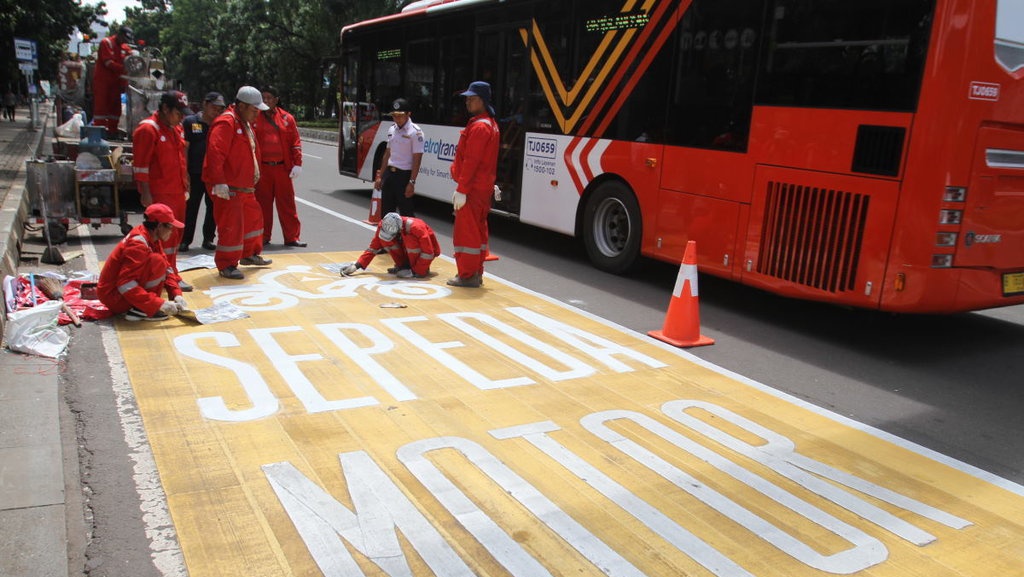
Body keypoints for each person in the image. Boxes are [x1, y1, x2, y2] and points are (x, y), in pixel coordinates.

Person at [203, 85, 273, 280]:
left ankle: (249, 254)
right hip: (230, 187)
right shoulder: (227, 123)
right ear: (241, 106)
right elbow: (216, 153)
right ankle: (226, 264)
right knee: (231, 227)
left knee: (253, 220)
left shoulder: (243, 122)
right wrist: (219, 182)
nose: (257, 114)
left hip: (244, 187)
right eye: (254, 109)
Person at [132, 90, 191, 291]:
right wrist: (146, 193)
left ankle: (171, 272)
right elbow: (141, 166)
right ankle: (164, 277)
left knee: (175, 237)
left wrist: (186, 181)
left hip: (177, 192)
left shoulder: (176, 128)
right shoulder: (148, 130)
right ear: (165, 109)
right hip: (160, 195)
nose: (181, 117)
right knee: (161, 239)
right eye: (178, 112)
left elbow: (181, 159)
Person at [97, 203, 189, 322]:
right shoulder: (138, 245)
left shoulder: (151, 237)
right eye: (170, 227)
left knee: (160, 262)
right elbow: (125, 284)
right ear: (160, 226)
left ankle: (143, 307)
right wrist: (157, 304)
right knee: (157, 262)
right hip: (114, 297)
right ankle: (142, 310)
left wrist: (176, 293)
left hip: (114, 293)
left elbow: (168, 268)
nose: (172, 231)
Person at [448, 81, 499, 288]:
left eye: (472, 98)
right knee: (477, 233)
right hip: (480, 189)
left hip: (472, 190)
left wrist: (462, 190)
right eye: (467, 98)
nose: (467, 102)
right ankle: (476, 272)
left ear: (483, 101)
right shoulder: (488, 124)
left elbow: (471, 162)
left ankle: (467, 275)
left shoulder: (479, 126)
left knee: (466, 233)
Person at [253, 85, 306, 247]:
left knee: (287, 204)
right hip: (263, 169)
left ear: (276, 100)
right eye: (264, 98)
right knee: (262, 205)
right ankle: (263, 236)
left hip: (283, 169)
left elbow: (295, 142)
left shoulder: (287, 118)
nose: (266, 101)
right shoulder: (255, 117)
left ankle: (292, 237)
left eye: (269, 97)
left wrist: (297, 163)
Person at [180, 92, 226, 252]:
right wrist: (185, 171)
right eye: (214, 107)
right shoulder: (191, 122)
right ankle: (185, 240)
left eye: (220, 109)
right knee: (191, 207)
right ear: (205, 104)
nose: (217, 111)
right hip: (194, 172)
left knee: (213, 207)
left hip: (213, 174)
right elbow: (185, 148)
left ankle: (208, 239)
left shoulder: (221, 124)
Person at [340, 212, 441, 278]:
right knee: (384, 240)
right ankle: (403, 266)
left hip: (425, 254)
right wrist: (357, 265)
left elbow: (428, 253)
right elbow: (373, 247)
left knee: (411, 241)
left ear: (398, 229)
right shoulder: (384, 225)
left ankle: (416, 268)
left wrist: (417, 272)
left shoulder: (416, 228)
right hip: (409, 252)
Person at [374, 98, 424, 217]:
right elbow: (387, 153)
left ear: (408, 114)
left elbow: (417, 159)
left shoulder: (415, 132)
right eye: (394, 116)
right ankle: (389, 236)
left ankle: (407, 236)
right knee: (386, 213)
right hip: (390, 175)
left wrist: (412, 182)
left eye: (400, 115)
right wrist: (380, 176)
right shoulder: (392, 129)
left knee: (406, 213)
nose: (397, 119)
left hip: (404, 176)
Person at [92, 26, 133, 136]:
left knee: (115, 109)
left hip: (116, 83)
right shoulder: (106, 43)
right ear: (119, 34)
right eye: (124, 38)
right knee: (101, 108)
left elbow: (132, 61)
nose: (125, 41)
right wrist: (125, 69)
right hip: (103, 82)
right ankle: (99, 133)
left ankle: (112, 131)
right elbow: (108, 63)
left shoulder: (125, 48)